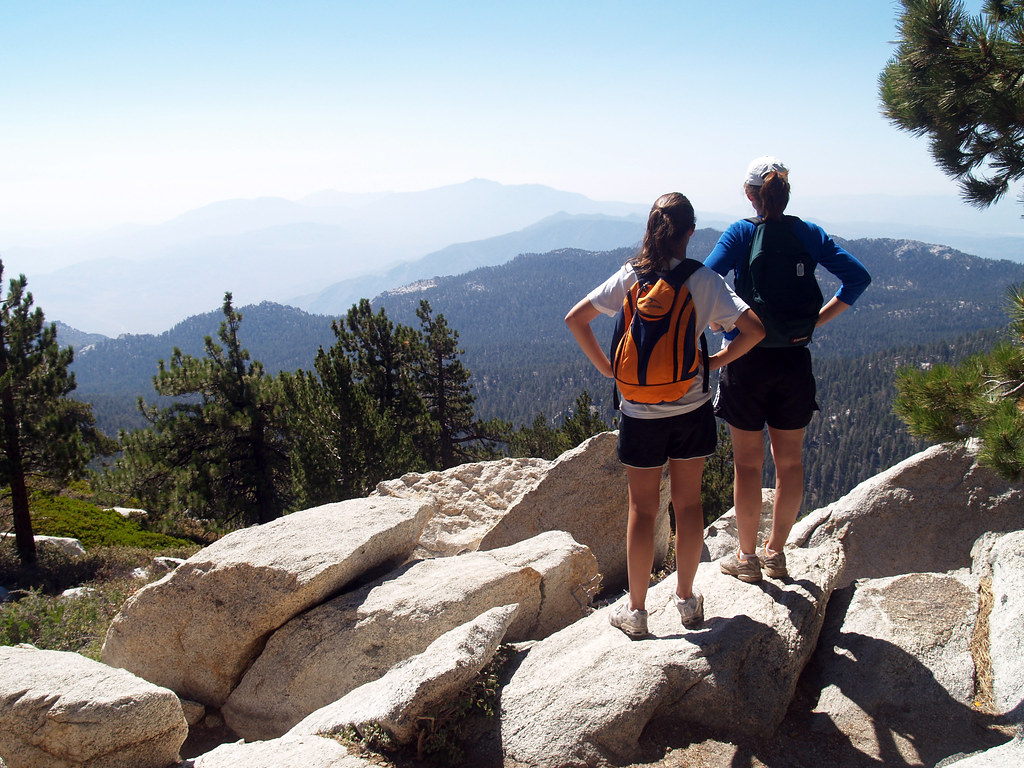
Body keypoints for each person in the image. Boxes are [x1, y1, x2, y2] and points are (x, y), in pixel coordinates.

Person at [565, 192, 765, 638]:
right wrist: (714, 362)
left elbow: (575, 319)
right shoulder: (703, 280)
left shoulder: (629, 277)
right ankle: (687, 602)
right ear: (690, 232)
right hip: (690, 409)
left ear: (651, 229)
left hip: (638, 413)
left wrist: (609, 370)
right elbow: (754, 330)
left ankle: (636, 612)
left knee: (643, 508)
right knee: (688, 504)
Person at [705, 156, 871, 583]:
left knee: (747, 463)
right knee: (790, 463)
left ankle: (746, 559)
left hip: (746, 358)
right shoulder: (808, 233)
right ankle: (776, 553)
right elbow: (858, 278)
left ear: (749, 195)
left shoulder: (742, 232)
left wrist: (721, 319)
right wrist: (816, 320)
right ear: (785, 191)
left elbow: (704, 280)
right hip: (795, 361)